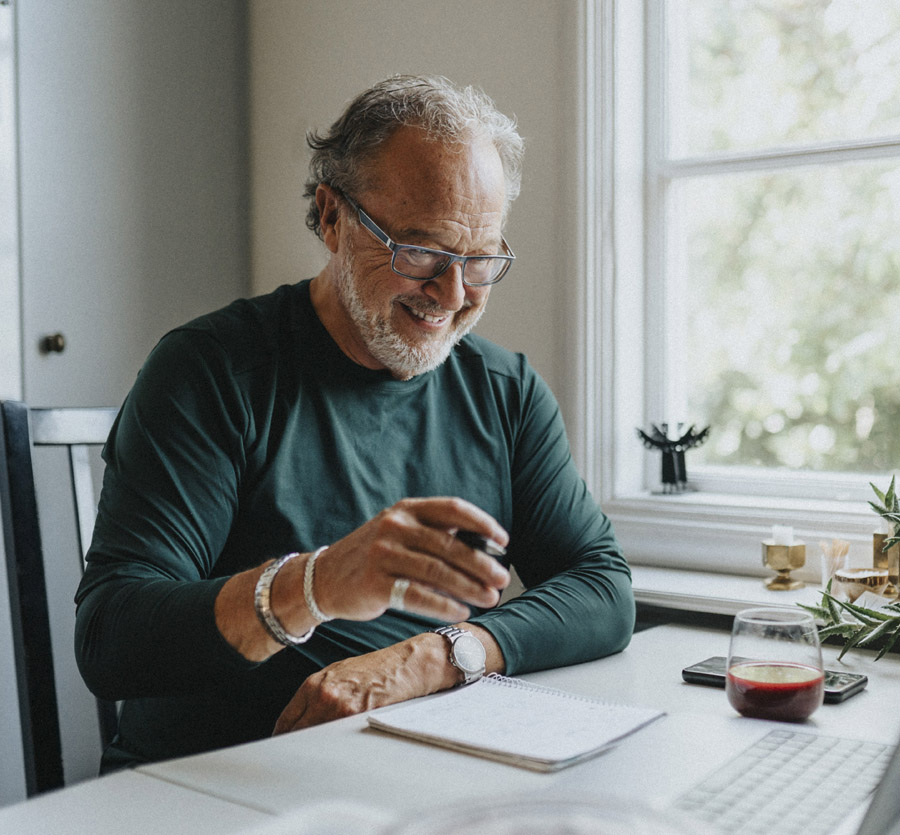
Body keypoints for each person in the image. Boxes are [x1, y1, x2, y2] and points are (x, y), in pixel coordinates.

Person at [74, 74, 634, 770]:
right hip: (214, 783)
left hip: (411, 777)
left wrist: (441, 654)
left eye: (481, 259)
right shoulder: (213, 372)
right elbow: (111, 640)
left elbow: (602, 588)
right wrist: (316, 585)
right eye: (421, 252)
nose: (454, 294)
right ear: (332, 216)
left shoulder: (505, 392)